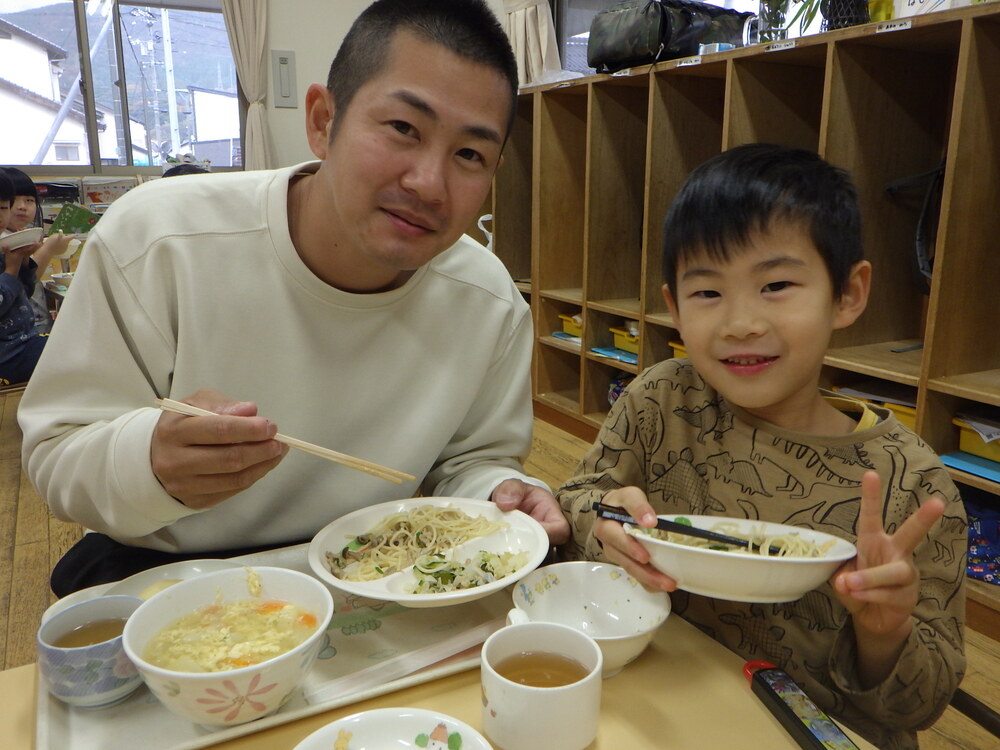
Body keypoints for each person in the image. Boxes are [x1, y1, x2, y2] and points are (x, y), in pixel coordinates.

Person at [19, 0, 568, 596]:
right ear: (322, 120)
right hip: (170, 570)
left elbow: (469, 465)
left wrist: (496, 493)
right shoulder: (158, 240)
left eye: (469, 155)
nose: (429, 184)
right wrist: (149, 463)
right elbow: (57, 451)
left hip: (378, 571)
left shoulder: (488, 300)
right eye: (404, 129)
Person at [557, 144, 966, 750]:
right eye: (707, 293)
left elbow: (924, 702)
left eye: (776, 284)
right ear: (674, 306)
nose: (740, 322)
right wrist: (605, 525)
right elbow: (577, 499)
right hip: (655, 707)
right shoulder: (661, 400)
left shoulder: (911, 483)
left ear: (848, 294)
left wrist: (884, 632)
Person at [1, 167, 72, 333]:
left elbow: (25, 285)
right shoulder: (4, 240)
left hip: (33, 325)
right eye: (13, 201)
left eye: (29, 200)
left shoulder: (24, 234)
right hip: (17, 337)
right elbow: (19, 284)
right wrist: (49, 249)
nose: (22, 207)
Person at [1, 169, 49, 385]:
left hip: (24, 341)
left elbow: (25, 292)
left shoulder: (4, 247)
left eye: (3, 208)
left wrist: (24, 262)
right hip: (8, 354)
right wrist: (11, 270)